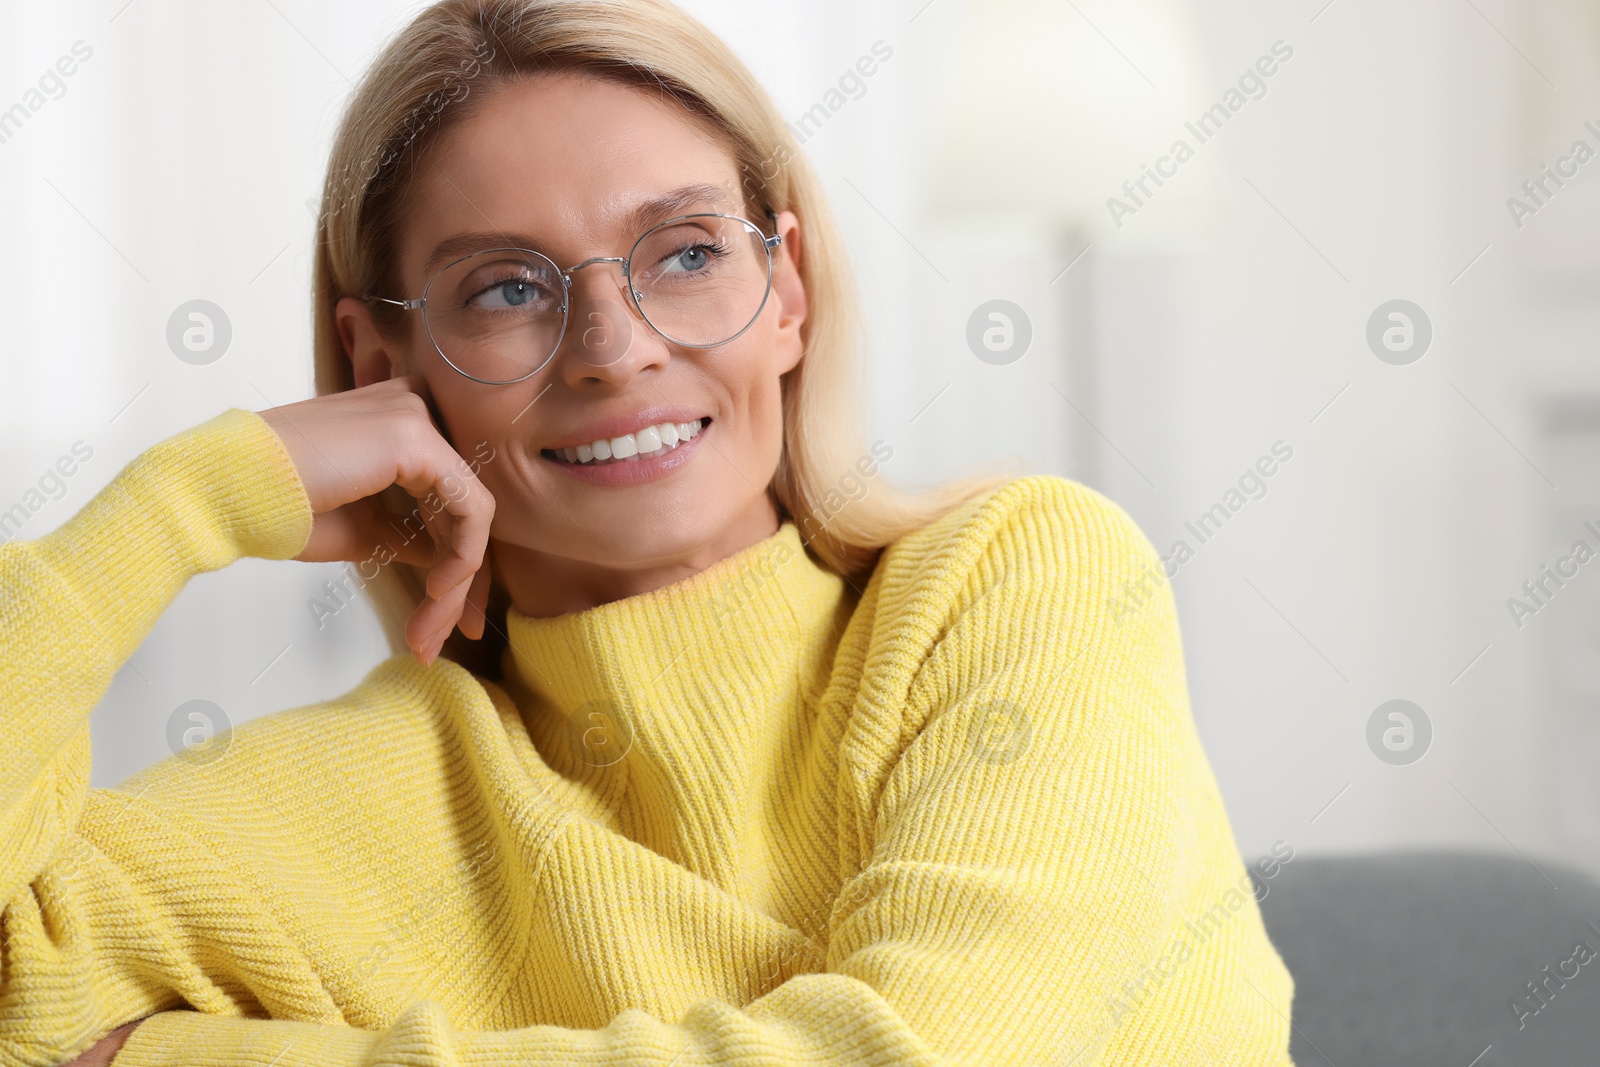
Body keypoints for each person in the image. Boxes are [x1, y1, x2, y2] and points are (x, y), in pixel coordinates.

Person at [3, 1, 1296, 1064]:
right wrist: (174, 507)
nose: (617, 351)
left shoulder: (1020, 576)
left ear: (785, 291)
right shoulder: (342, 795)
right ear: (380, 362)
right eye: (508, 289)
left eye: (683, 254)